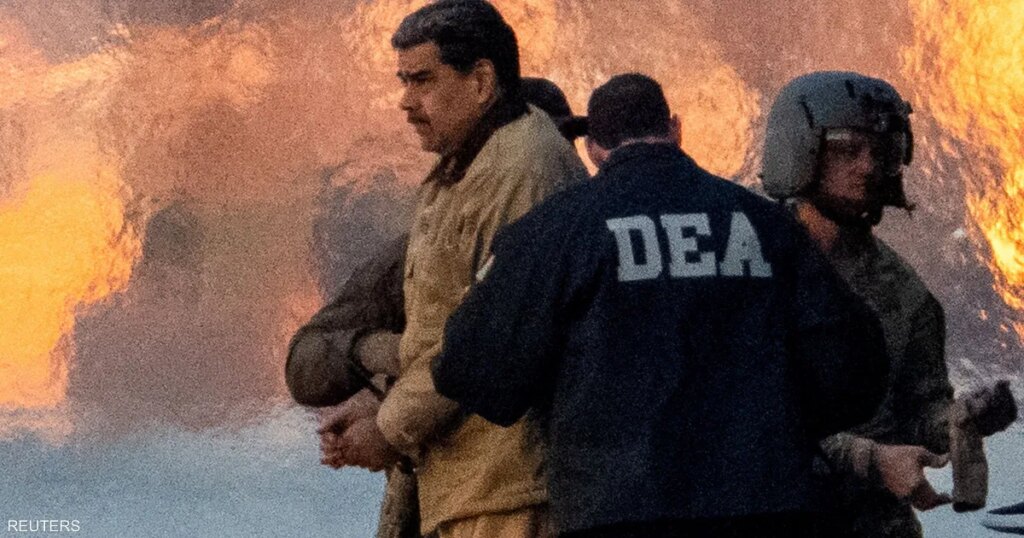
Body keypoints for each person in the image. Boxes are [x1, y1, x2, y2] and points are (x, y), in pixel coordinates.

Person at [430, 73, 891, 538]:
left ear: (593, 149)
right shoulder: (767, 225)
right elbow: (854, 371)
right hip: (764, 506)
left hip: (613, 512)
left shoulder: (553, 230)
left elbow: (471, 370)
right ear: (674, 129)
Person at [315, 2, 588, 537]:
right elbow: (440, 332)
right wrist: (380, 405)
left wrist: (388, 428)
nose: (405, 102)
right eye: (403, 81)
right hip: (475, 488)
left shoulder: (521, 170)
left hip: (512, 493)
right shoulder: (470, 165)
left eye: (423, 80)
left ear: (481, 81)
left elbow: (489, 337)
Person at [760, 71, 955, 537]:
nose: (868, 167)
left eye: (882, 151)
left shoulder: (903, 290)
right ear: (799, 151)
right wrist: (867, 459)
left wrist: (955, 423)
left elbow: (920, 404)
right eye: (847, 150)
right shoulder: (752, 266)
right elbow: (745, 417)